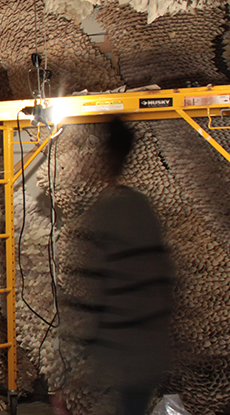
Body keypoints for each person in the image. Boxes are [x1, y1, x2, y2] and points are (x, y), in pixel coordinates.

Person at [67, 117, 175, 415]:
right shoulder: (142, 207)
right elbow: (163, 280)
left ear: (106, 158)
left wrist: (67, 373)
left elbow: (88, 294)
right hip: (147, 348)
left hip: (122, 350)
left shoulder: (107, 213)